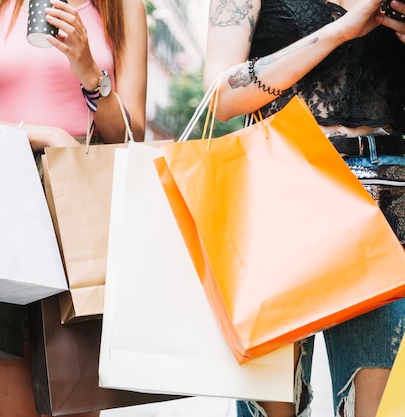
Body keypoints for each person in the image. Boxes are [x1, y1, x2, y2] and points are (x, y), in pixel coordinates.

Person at [204, 0, 405, 416]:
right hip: (280, 189)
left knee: (384, 409)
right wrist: (340, 30)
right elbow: (220, 96)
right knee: (272, 404)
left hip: (389, 199)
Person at [0, 0, 148, 415]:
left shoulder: (121, 7)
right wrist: (45, 135)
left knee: (75, 397)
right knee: (9, 393)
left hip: (79, 202)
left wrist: (89, 71)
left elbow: (130, 136)